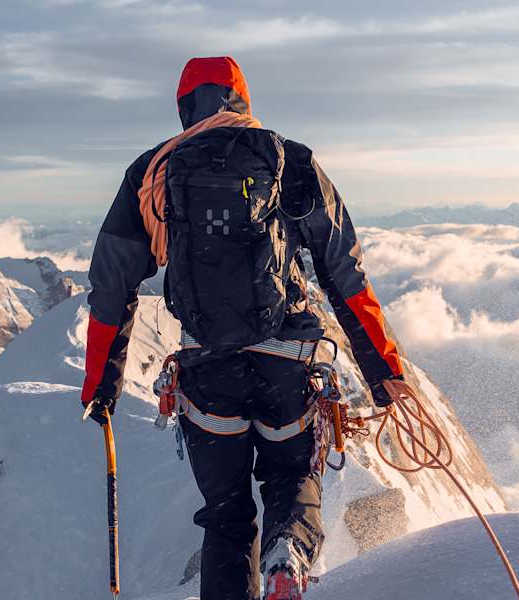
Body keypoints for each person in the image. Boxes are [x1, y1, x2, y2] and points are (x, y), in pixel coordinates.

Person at [79, 56, 419, 600]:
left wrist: (101, 387)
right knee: (290, 479)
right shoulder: (289, 160)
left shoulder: (153, 171)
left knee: (226, 516)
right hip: (289, 362)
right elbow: (343, 273)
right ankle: (287, 558)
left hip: (207, 369)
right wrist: (383, 374)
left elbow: (111, 286)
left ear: (184, 107)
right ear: (243, 99)